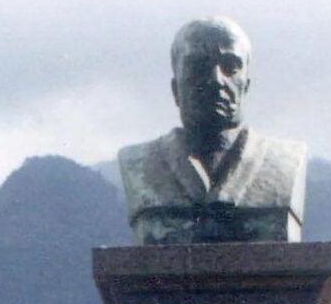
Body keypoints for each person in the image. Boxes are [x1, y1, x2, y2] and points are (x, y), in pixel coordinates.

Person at [118, 17, 307, 244]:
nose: (216, 80)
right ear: (175, 88)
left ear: (246, 86)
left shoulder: (284, 161)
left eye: (231, 67)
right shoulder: (139, 163)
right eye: (198, 66)